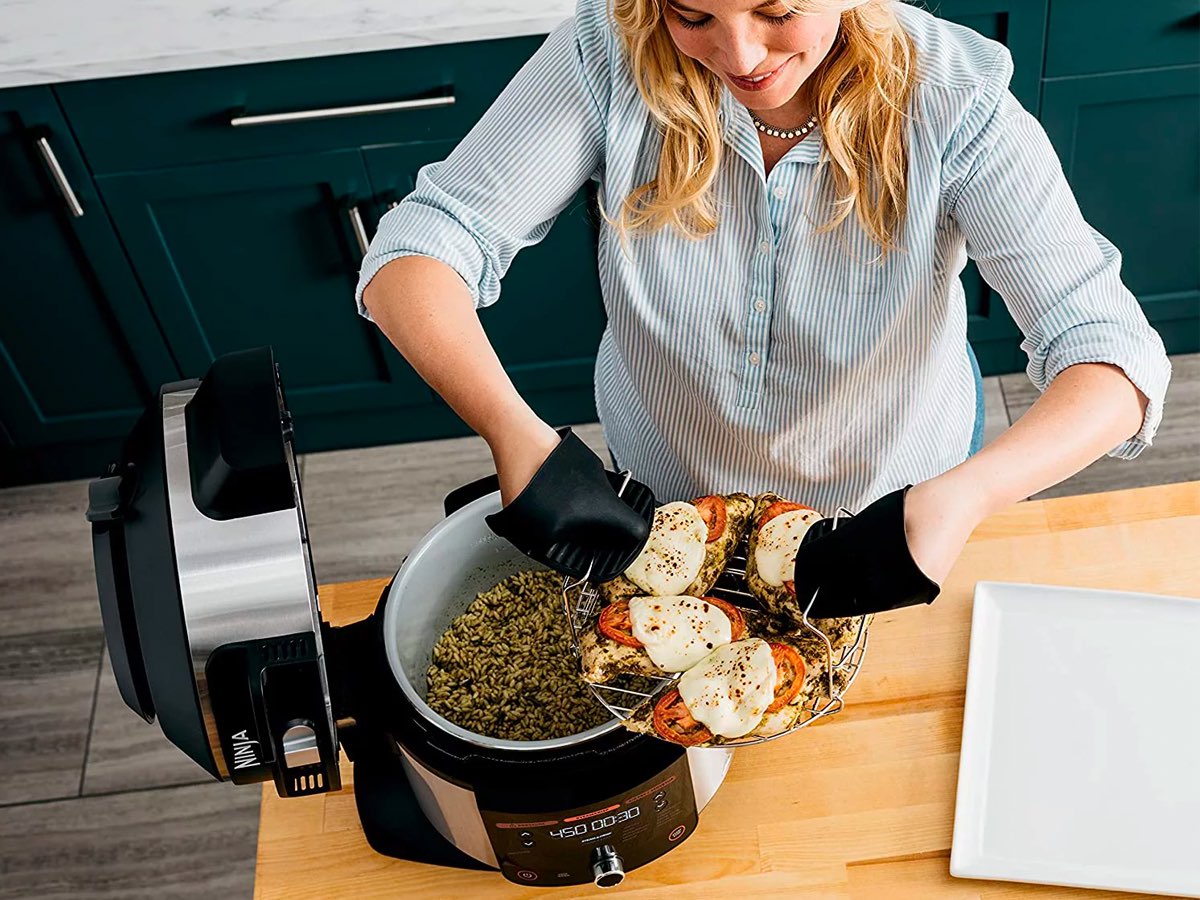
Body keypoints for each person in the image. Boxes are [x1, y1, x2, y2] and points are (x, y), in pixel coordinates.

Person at [356, 0, 1169, 596]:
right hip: (665, 488)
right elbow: (420, 247)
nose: (739, 54)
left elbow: (1112, 356)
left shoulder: (957, 101)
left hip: (887, 506)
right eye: (692, 14)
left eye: (777, 10)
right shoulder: (607, 52)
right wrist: (515, 434)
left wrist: (959, 499)